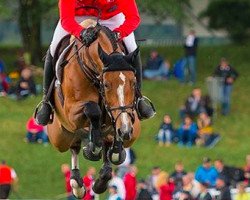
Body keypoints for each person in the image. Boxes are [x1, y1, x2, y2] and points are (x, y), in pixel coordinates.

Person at [35, 0, 155, 126]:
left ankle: (139, 98)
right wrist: (80, 32)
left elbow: (133, 18)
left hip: (110, 18)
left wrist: (119, 33)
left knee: (132, 48)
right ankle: (46, 101)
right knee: (53, 49)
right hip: (77, 17)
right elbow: (66, 19)